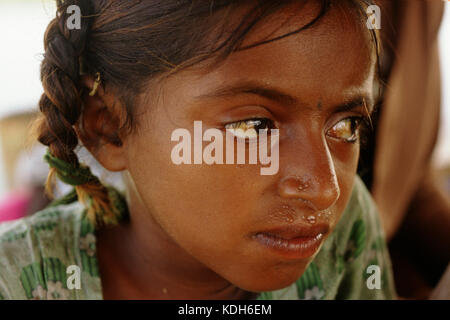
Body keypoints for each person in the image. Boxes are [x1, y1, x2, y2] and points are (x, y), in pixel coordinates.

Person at [0, 0, 397, 300]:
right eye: (254, 127)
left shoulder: (342, 233)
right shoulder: (15, 280)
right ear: (108, 128)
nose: (324, 189)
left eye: (346, 125)